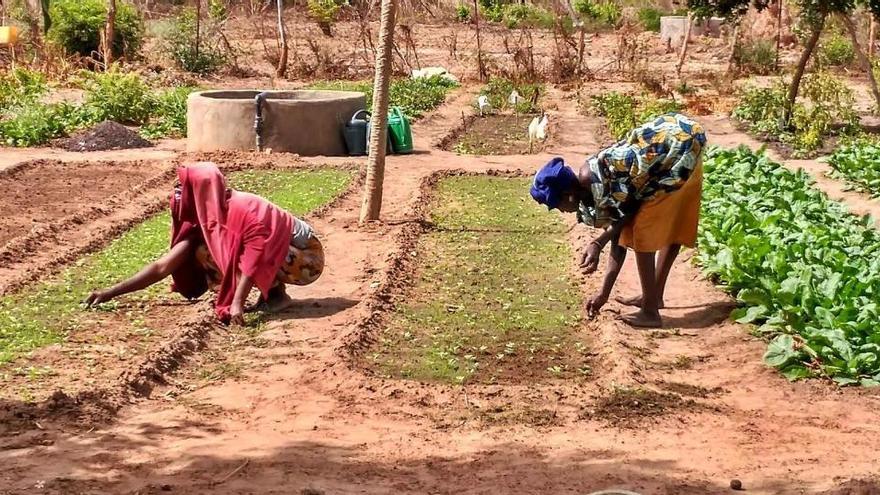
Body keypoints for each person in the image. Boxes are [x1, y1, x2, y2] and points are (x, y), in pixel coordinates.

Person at [84, 162, 325, 325]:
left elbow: (254, 259)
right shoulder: (206, 220)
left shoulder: (245, 210)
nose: (178, 194)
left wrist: (236, 304)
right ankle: (269, 295)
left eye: (183, 187)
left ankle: (277, 297)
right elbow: (162, 266)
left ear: (198, 190)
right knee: (202, 251)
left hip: (306, 261)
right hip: (284, 257)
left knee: (244, 251)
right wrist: (110, 293)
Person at [530, 113, 706, 328]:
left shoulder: (595, 180)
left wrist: (597, 242)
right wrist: (603, 294)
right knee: (649, 226)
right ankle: (654, 296)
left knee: (643, 233)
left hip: (680, 146)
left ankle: (650, 311)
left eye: (556, 205)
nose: (561, 211)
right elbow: (618, 237)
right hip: (675, 143)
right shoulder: (588, 190)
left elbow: (628, 214)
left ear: (568, 195)